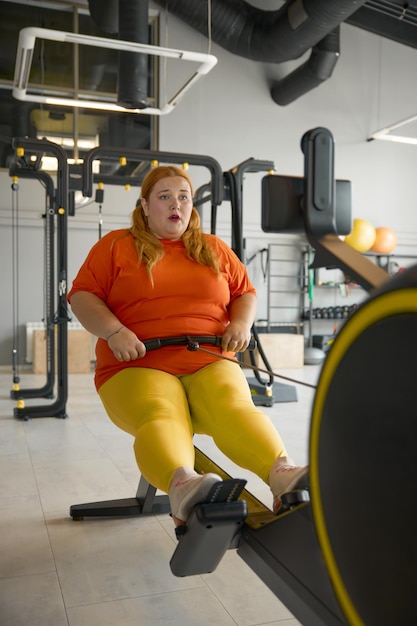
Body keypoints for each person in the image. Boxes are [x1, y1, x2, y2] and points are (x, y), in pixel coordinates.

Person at [68, 165, 308, 527]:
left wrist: (241, 323)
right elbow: (83, 296)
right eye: (164, 196)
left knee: (233, 406)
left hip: (210, 358)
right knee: (161, 411)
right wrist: (114, 332)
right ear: (145, 206)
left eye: (183, 197)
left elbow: (245, 293)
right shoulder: (116, 246)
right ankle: (182, 486)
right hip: (139, 363)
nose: (175, 204)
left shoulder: (213, 249)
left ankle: (281, 474)